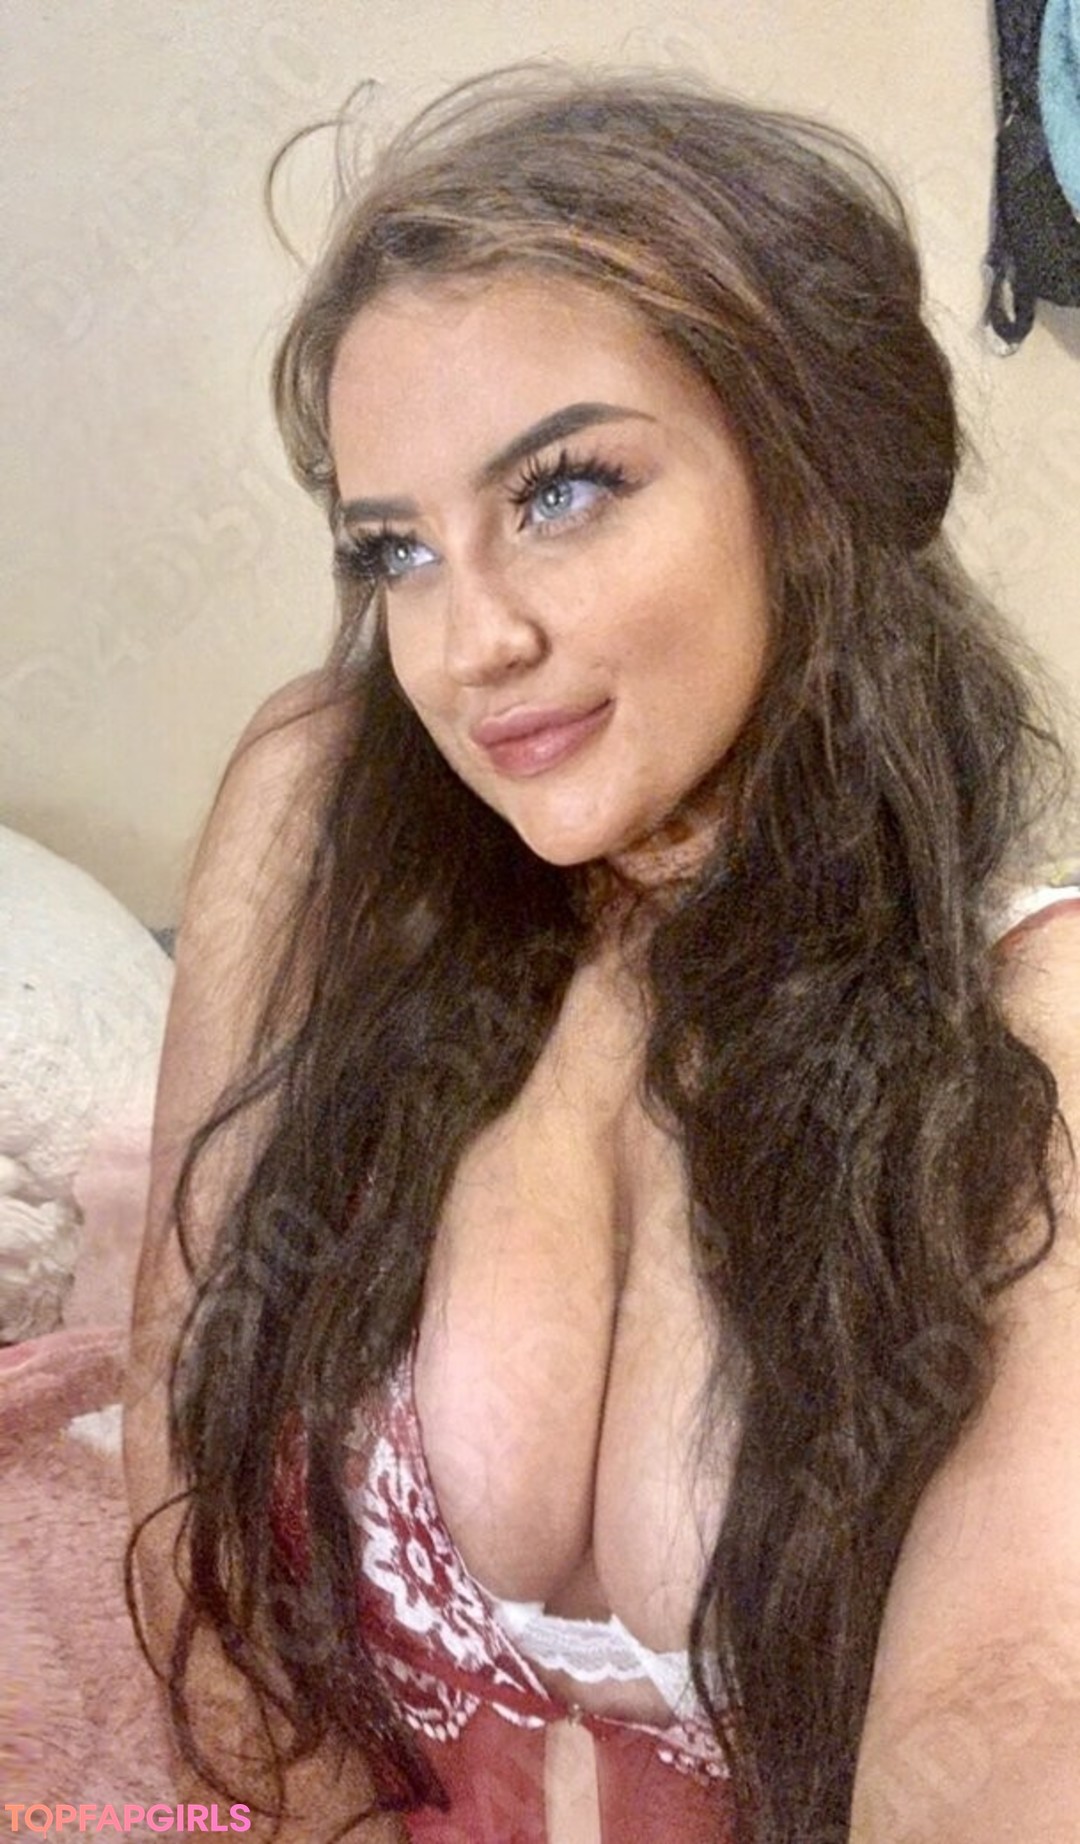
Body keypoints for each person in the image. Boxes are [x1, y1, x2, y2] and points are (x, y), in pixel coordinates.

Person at [123, 66, 1080, 1844]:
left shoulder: (1033, 1007)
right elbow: (189, 1427)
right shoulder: (325, 809)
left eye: (562, 490)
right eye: (396, 550)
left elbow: (1009, 1700)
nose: (469, 641)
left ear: (814, 470)